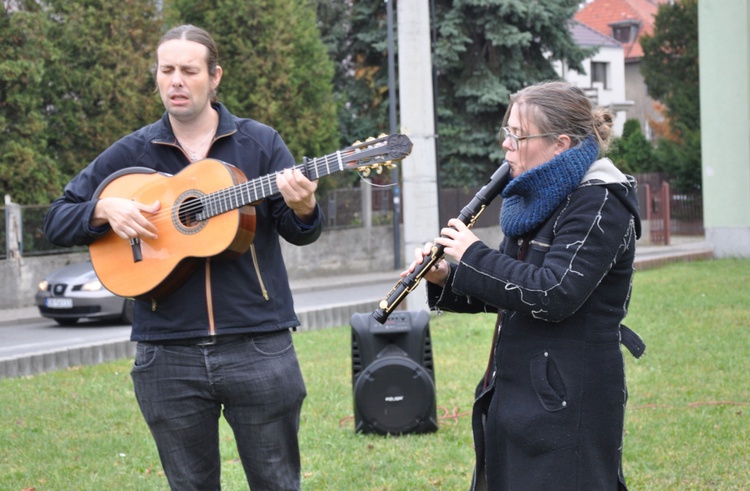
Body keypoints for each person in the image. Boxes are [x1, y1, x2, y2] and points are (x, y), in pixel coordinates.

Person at [44, 25, 322, 490]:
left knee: (277, 482)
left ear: (214, 77)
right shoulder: (132, 152)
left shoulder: (260, 144)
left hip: (258, 346)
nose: (175, 80)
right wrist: (102, 209)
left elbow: (300, 232)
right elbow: (56, 218)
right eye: (166, 69)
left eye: (188, 70)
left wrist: (304, 206)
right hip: (166, 353)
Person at [406, 80, 644, 490]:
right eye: (507, 132)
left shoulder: (600, 199)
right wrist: (448, 275)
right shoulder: (537, 196)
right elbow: (512, 284)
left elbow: (554, 292)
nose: (506, 145)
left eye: (517, 135)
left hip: (570, 397)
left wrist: (473, 254)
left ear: (560, 144)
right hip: (517, 393)